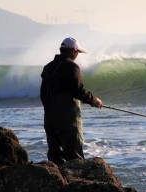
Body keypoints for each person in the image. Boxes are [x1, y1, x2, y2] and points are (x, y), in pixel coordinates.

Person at [40, 37, 103, 166]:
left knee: (55, 156)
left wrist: (50, 110)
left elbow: (43, 94)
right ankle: (75, 183)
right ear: (74, 51)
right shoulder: (72, 66)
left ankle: (58, 182)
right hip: (67, 118)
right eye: (78, 52)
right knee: (74, 156)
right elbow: (78, 91)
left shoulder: (47, 68)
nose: (77, 55)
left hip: (49, 117)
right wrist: (94, 100)